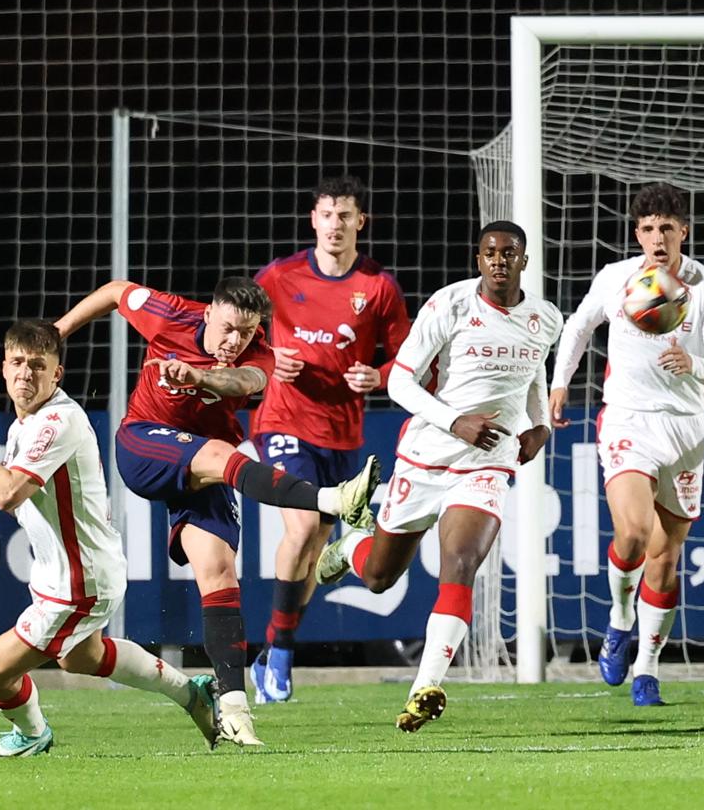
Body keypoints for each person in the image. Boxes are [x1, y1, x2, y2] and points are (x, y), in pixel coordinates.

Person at [54, 277, 380, 745]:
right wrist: (58, 331)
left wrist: (200, 375)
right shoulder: (170, 314)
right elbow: (114, 291)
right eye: (228, 328)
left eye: (245, 333)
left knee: (220, 573)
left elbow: (246, 381)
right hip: (144, 442)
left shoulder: (259, 354)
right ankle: (332, 499)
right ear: (208, 313)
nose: (235, 341)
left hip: (202, 464)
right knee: (223, 457)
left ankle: (232, 708)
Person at [314, 221, 562, 732]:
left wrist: (539, 428)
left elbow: (534, 374)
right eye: (490, 252)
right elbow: (401, 381)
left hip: (488, 463)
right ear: (478, 259)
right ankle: (352, 545)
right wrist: (456, 421)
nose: (498, 260)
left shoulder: (545, 318)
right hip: (427, 456)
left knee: (461, 562)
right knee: (379, 577)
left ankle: (424, 687)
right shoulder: (448, 306)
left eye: (508, 253)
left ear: (524, 261)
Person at [0, 320, 218, 758]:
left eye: (38, 365)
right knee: (80, 657)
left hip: (78, 582)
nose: (25, 374)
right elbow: (4, 484)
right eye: (17, 362)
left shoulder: (58, 421)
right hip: (63, 574)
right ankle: (192, 694)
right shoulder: (26, 424)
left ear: (57, 373)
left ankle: (33, 733)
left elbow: (4, 493)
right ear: (3, 368)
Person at [549, 183, 704, 706]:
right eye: (649, 228)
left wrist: (694, 364)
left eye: (668, 228)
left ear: (684, 232)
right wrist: (559, 383)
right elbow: (578, 326)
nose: (658, 238)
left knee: (664, 558)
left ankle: (647, 668)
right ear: (638, 233)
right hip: (627, 419)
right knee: (632, 534)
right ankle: (618, 620)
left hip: (683, 429)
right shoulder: (617, 279)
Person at [248, 176, 410, 705]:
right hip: (283, 423)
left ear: (360, 222)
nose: (335, 225)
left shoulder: (379, 287)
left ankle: (275, 644)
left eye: (345, 216)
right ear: (313, 220)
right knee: (301, 531)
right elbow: (232, 333)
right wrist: (270, 361)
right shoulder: (279, 277)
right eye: (326, 215)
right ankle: (283, 652)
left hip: (342, 434)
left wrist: (378, 378)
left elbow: (405, 360)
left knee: (317, 545)